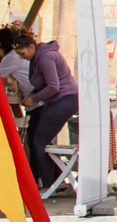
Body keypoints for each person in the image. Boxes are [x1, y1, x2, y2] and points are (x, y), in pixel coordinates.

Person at [16, 35, 78, 191]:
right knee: (43, 140)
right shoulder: (36, 58)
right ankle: (57, 180)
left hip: (64, 99)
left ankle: (50, 184)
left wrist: (34, 99)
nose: (22, 58)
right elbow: (42, 84)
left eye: (22, 54)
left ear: (31, 47)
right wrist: (32, 93)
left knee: (39, 142)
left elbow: (53, 86)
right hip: (59, 100)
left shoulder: (45, 57)